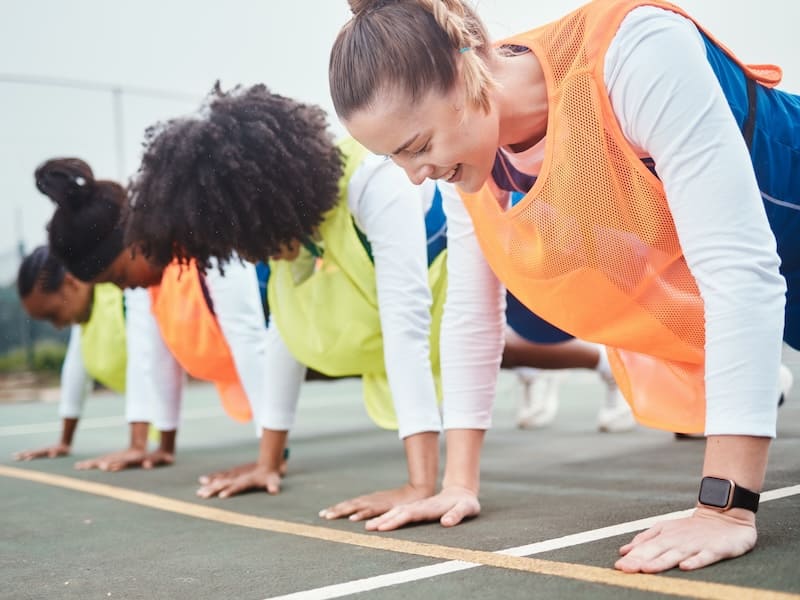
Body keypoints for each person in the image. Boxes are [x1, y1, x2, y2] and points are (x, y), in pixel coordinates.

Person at [328, 0, 800, 573]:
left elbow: (738, 268)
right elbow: (472, 317)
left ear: (466, 70)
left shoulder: (633, 52)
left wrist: (725, 509)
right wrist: (457, 484)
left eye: (419, 146)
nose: (415, 174)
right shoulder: (474, 163)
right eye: (394, 158)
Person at [122, 82, 480, 519]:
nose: (253, 256)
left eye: (251, 243)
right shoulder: (289, 220)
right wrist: (267, 461)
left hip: (480, 272)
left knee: (532, 340)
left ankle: (593, 363)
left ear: (271, 205)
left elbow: (406, 326)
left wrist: (419, 485)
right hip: (411, 308)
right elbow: (284, 334)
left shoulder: (375, 181)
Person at [35, 157, 270, 473]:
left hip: (285, 318)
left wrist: (270, 460)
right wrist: (157, 446)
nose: (124, 288)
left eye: (118, 277)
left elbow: (248, 338)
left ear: (135, 243)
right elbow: (151, 354)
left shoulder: (208, 234)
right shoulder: (146, 273)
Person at [13, 245, 179, 470]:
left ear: (71, 283)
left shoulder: (124, 283)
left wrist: (137, 445)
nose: (58, 326)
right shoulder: (85, 311)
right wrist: (64, 441)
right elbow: (76, 366)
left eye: (53, 315)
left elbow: (145, 353)